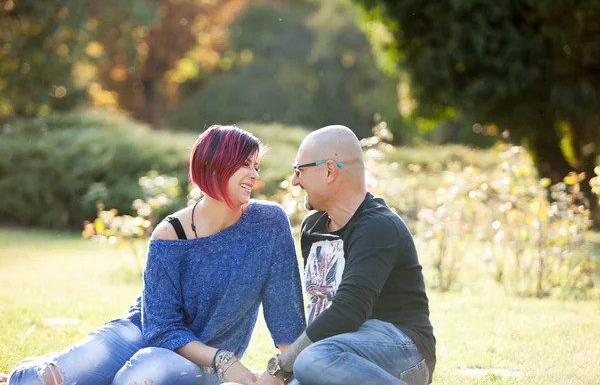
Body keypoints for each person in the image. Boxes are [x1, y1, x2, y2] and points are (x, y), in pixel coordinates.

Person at [6, 125, 306, 385]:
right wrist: (227, 360)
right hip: (141, 330)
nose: (254, 175)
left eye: (256, 166)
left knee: (139, 377)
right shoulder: (170, 234)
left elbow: (285, 312)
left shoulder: (268, 223)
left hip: (202, 357)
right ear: (215, 166)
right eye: (245, 165)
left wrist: (280, 371)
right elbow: (161, 327)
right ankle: (20, 374)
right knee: (42, 380)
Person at [257, 125, 436, 385]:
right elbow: (321, 310)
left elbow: (349, 310)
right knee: (305, 371)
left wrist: (282, 367)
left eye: (300, 170)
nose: (295, 181)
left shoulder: (378, 226)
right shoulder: (313, 227)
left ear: (329, 170)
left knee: (310, 360)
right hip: (335, 352)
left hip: (404, 351)